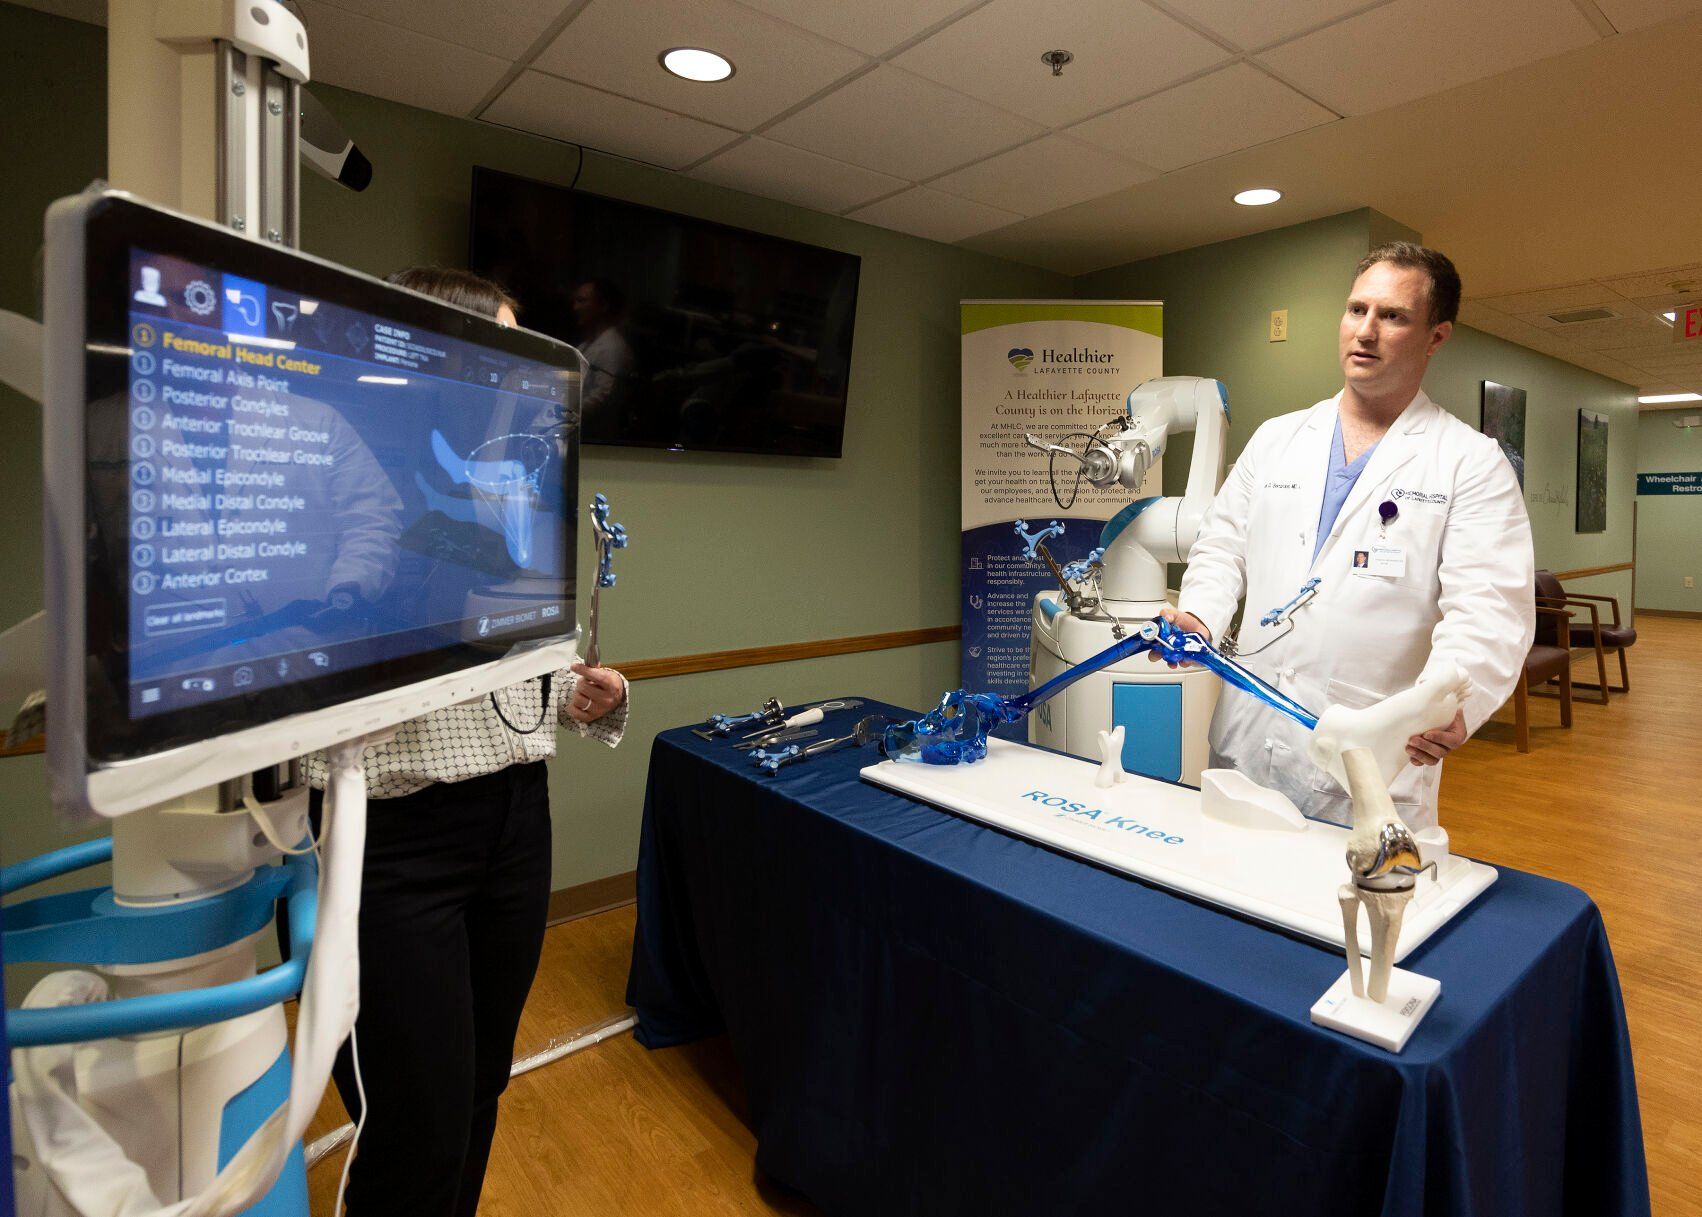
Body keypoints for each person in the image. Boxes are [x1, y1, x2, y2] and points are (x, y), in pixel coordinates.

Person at [300, 266, 630, 1217]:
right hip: (395, 837)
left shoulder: (515, 482)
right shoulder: (343, 463)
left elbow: (513, 654)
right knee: (415, 1118)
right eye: (503, 350)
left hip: (517, 819)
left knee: (483, 1084)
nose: (521, 378)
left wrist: (583, 694)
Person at [1164, 242, 1534, 829]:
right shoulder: (1277, 439)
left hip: (1372, 760)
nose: (1365, 331)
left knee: (1350, 914)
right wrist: (1201, 616)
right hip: (1247, 738)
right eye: (1356, 310)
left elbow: (1489, 608)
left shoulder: (1470, 461)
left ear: (1436, 337)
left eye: (1392, 316)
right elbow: (1221, 548)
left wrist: (1450, 702)